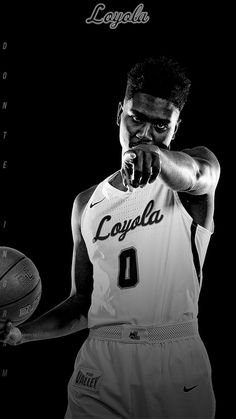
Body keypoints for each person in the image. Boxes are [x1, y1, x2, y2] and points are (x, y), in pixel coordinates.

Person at [1, 56, 220, 418]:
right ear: (119, 112)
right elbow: (82, 303)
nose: (146, 134)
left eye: (161, 126)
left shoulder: (193, 176)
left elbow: (197, 174)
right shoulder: (87, 203)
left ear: (176, 129)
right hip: (102, 364)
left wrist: (158, 159)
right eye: (136, 119)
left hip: (174, 358)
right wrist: (22, 335)